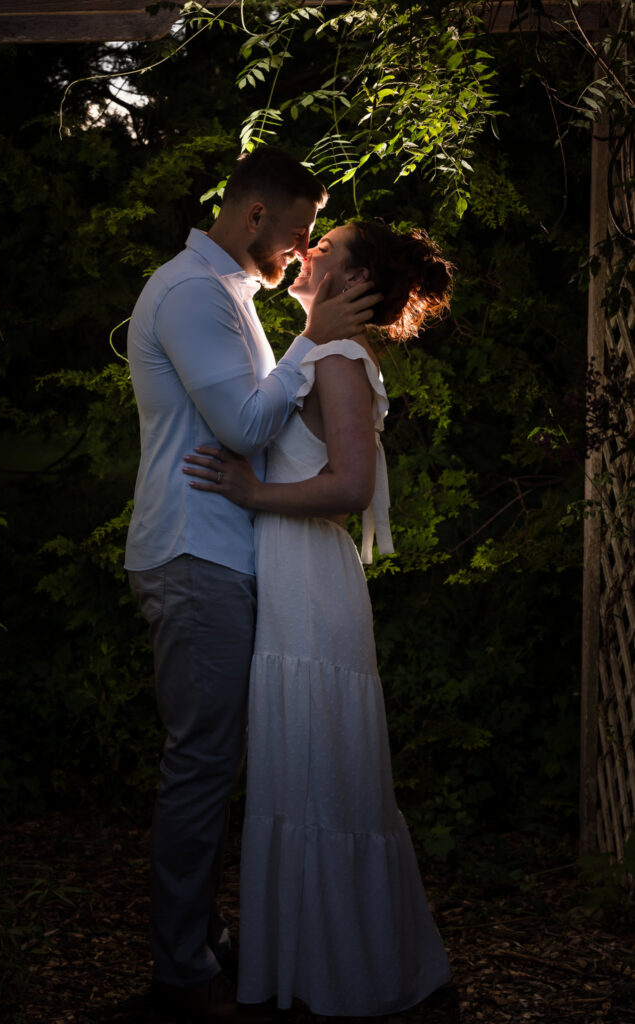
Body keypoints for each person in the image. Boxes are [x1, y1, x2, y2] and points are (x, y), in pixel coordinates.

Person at [124, 148, 380, 1023]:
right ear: (257, 216)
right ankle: (181, 973)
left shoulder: (230, 296)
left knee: (219, 761)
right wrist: (311, 340)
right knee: (201, 765)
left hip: (228, 553)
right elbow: (239, 425)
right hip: (198, 553)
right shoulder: (196, 295)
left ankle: (199, 940)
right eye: (301, 227)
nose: (303, 248)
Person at [183, 219, 455, 1017]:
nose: (306, 251)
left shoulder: (337, 359)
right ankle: (313, 965)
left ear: (355, 280)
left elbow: (347, 487)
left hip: (311, 587)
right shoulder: (320, 351)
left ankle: (348, 973)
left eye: (325, 246)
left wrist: (250, 492)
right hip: (294, 580)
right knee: (301, 779)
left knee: (322, 783)